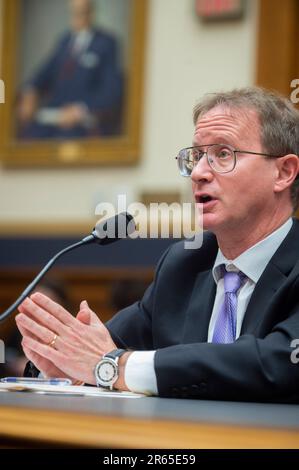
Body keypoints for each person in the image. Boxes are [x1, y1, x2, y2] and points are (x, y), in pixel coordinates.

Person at [16, 87, 299, 402]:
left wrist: (112, 365)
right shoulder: (186, 262)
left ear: (283, 172)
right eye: (196, 156)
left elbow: (276, 363)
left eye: (223, 154)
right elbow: (102, 347)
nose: (200, 173)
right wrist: (60, 365)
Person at [17, 0, 123, 139]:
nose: (78, 17)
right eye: (75, 12)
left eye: (82, 12)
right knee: (28, 137)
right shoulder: (65, 41)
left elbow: (111, 91)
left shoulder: (106, 43)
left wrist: (81, 110)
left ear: (91, 12)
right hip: (56, 116)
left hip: (84, 121)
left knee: (66, 139)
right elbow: (43, 73)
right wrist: (30, 91)